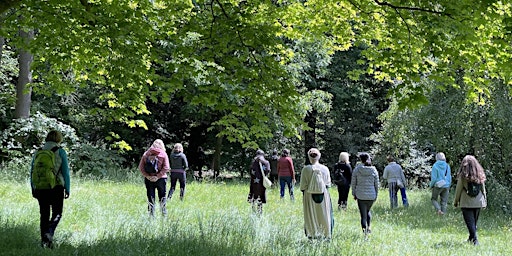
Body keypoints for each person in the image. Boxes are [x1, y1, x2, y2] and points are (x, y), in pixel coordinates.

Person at [30, 130, 71, 248]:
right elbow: (66, 172)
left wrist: (33, 187)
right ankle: (49, 233)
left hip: (40, 187)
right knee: (57, 213)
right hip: (56, 187)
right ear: (59, 139)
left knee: (44, 214)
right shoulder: (61, 152)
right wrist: (67, 188)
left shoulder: (38, 152)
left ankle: (45, 242)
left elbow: (32, 171)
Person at [300, 148, 333, 239]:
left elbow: (303, 186)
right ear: (319, 156)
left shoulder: (306, 169)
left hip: (309, 195)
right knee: (324, 214)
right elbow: (328, 184)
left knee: (311, 215)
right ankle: (326, 234)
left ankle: (312, 233)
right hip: (323, 194)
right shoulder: (325, 169)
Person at [453, 155, 487, 246]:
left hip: (466, 202)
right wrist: (485, 201)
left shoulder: (463, 176)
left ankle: (475, 241)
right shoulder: (480, 174)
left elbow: (458, 190)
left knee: (470, 223)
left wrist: (456, 202)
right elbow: (483, 189)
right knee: (473, 223)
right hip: (478, 201)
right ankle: (471, 239)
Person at [138, 139, 170, 216]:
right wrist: (158, 176)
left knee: (150, 197)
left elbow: (141, 167)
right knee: (162, 197)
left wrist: (147, 176)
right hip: (161, 179)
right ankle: (164, 214)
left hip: (149, 179)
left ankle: (151, 215)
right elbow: (166, 167)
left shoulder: (146, 154)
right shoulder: (163, 154)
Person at [351, 152, 379, 237]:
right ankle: (369, 227)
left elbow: (353, 183)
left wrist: (354, 193)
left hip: (360, 195)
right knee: (367, 211)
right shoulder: (373, 170)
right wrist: (376, 195)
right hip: (371, 195)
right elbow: (377, 184)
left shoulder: (357, 169)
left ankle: (365, 232)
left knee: (363, 215)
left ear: (360, 159)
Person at [247, 149, 271, 214]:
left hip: (253, 182)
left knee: (253, 196)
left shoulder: (253, 162)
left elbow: (250, 171)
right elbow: (268, 170)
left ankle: (253, 211)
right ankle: (259, 211)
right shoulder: (266, 162)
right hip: (261, 182)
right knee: (261, 196)